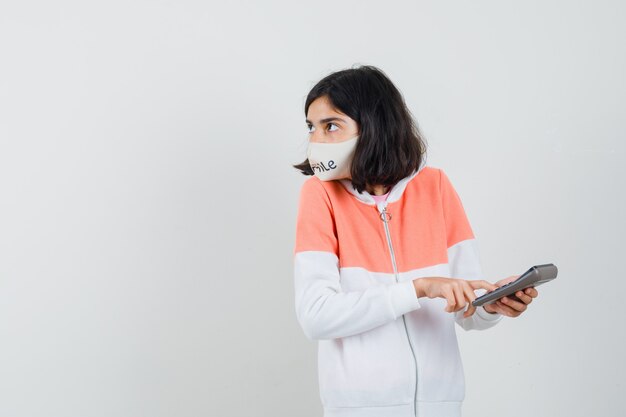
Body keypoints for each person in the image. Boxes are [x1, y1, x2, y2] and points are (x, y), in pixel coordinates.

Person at [292, 65, 539, 417]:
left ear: (374, 126)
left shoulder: (436, 187)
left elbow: (467, 308)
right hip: (359, 408)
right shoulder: (320, 196)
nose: (316, 139)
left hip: (441, 405)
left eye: (331, 126)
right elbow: (316, 316)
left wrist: (491, 305)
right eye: (311, 127)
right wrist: (418, 288)